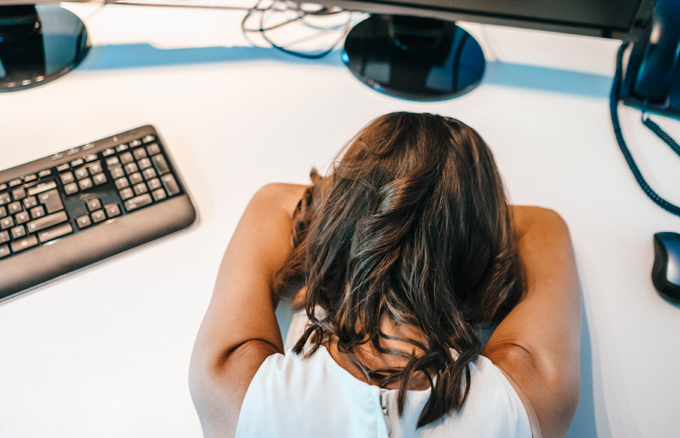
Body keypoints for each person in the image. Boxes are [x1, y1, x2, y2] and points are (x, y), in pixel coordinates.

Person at [190, 112, 581, 438]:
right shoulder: (526, 394)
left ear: (332, 230)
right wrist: (443, 205)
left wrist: (372, 203)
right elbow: (544, 225)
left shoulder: (237, 384)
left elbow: (272, 200)